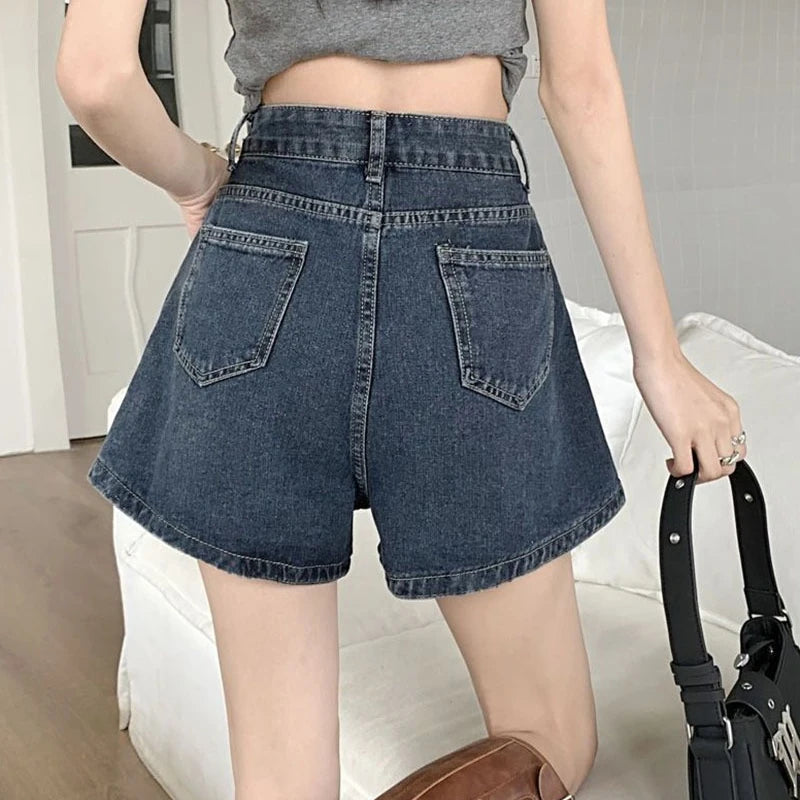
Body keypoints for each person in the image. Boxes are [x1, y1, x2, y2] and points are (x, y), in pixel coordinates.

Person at [56, 1, 748, 798]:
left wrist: (201, 179)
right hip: (469, 237)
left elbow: (96, 76)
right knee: (549, 736)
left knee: (282, 776)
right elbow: (580, 87)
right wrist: (659, 358)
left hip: (266, 229)